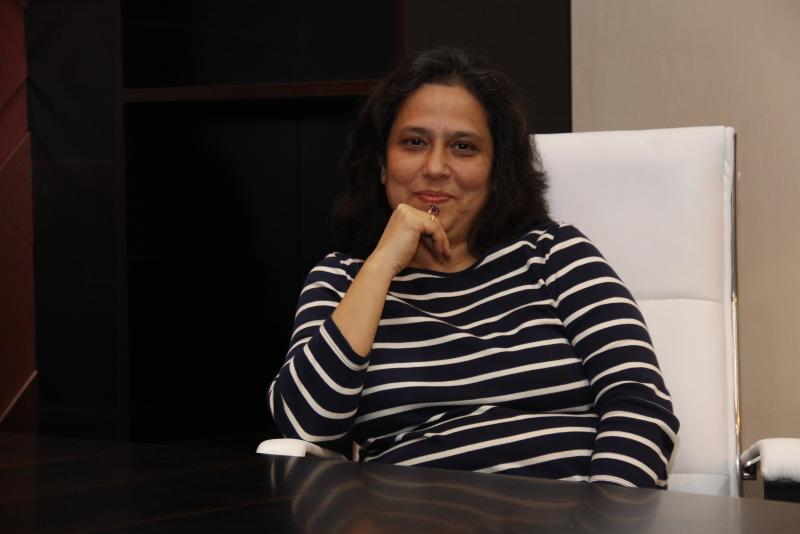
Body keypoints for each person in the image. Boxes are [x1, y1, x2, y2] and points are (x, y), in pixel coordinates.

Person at [269, 47, 679, 489]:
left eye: (463, 147)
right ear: (381, 165)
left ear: (496, 170)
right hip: (415, 515)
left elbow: (640, 405)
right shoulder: (342, 280)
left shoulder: (554, 254)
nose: (435, 168)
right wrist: (381, 263)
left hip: (571, 509)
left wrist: (606, 514)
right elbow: (306, 424)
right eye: (414, 142)